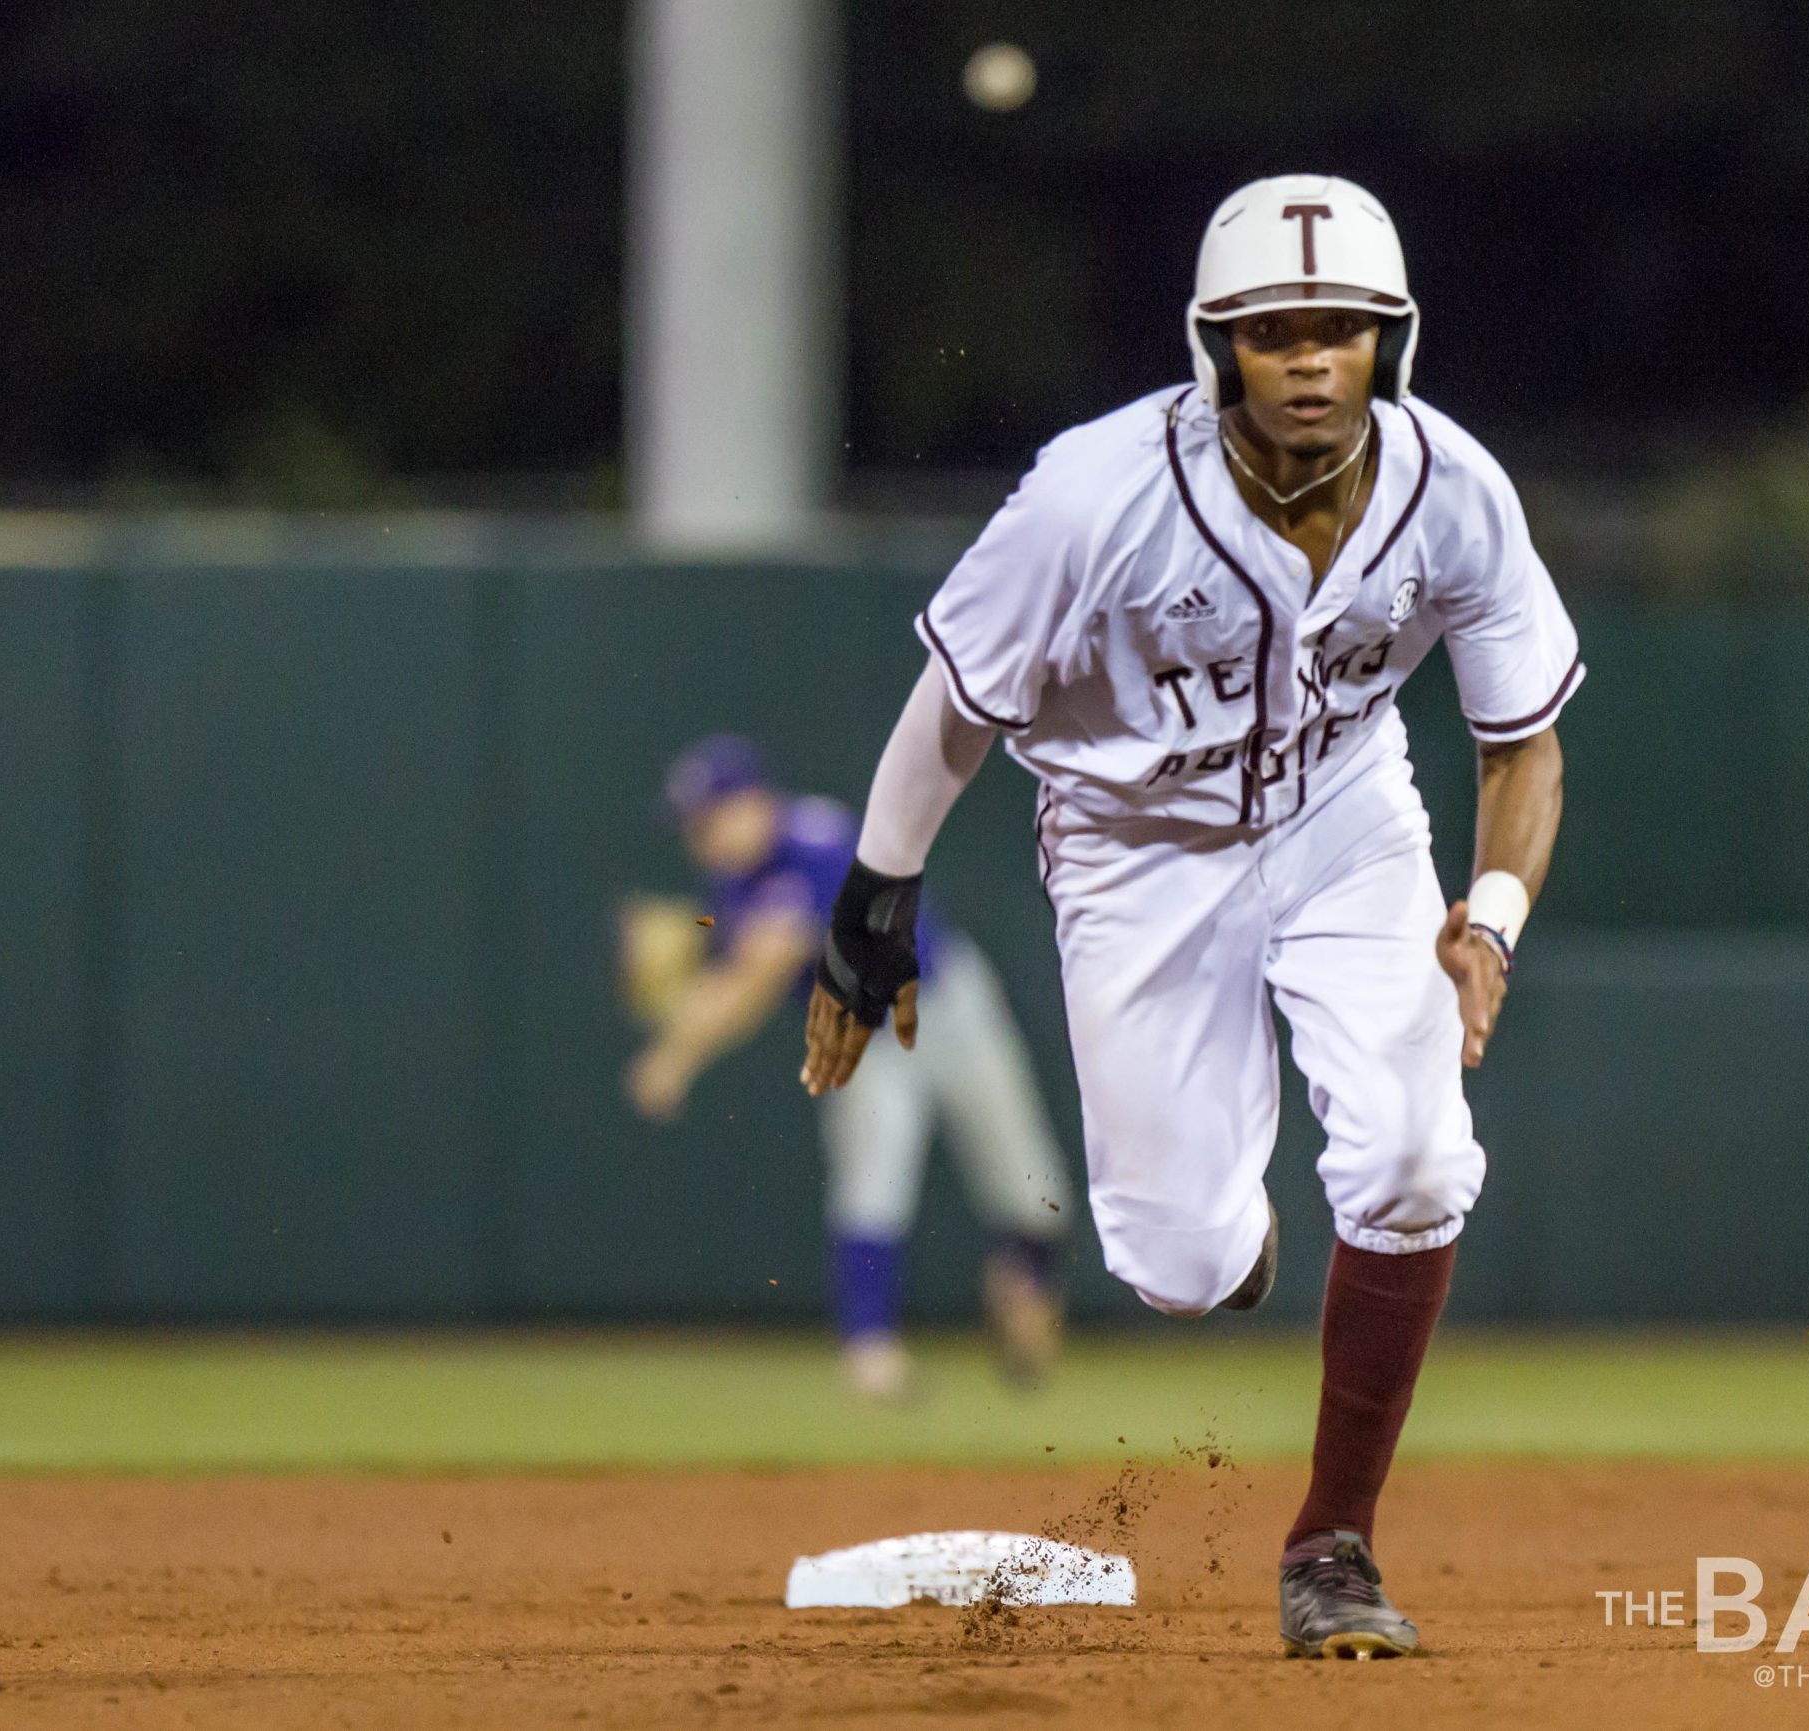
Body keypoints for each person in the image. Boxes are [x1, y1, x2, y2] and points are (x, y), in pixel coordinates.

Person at [800, 174, 1577, 1658]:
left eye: (1338, 329)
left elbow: (1520, 738)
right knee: (1176, 1263)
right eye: (1271, 329)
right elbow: (958, 700)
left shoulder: (1453, 488)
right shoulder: (1095, 492)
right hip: (1133, 844)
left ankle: (1332, 1542)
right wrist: (877, 891)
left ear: (1387, 345)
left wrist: (1488, 914)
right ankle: (1235, 1238)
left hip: (1350, 816)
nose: (1306, 357)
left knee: (1418, 1155)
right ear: (1215, 343)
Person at [623, 734, 1073, 1401]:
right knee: (870, 1185)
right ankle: (870, 1350)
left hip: (950, 1009)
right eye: (692, 824)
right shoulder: (734, 878)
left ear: (753, 803)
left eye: (709, 817)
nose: (700, 836)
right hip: (865, 1037)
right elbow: (744, 972)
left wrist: (673, 1054)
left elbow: (758, 975)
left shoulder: (817, 844)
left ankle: (1024, 1278)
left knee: (1033, 1190)